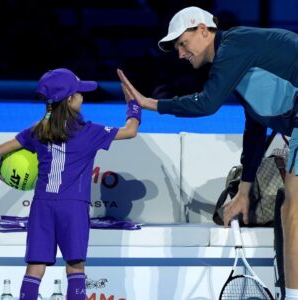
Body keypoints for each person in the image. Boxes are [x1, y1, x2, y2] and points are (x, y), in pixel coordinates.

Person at [117, 6, 298, 299]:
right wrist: (244, 191)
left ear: (203, 30)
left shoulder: (234, 45)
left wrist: (150, 103)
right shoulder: (238, 60)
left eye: (182, 43)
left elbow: (206, 104)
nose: (180, 53)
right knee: (288, 205)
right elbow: (256, 125)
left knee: (293, 208)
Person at [0, 68, 141, 300]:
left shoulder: (36, 131)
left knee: (35, 268)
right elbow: (131, 131)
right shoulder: (89, 132)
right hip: (73, 208)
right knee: (75, 268)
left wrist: (4, 174)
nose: (83, 97)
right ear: (70, 99)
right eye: (80, 93)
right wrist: (133, 105)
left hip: (42, 207)